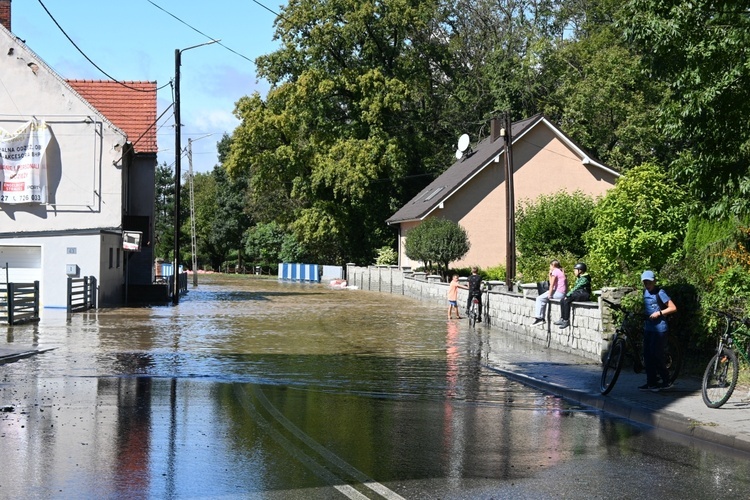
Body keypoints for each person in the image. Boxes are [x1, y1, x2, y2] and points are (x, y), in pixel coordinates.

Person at [639, 270, 677, 392]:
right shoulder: (645, 292)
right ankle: (651, 383)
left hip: (660, 329)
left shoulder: (661, 293)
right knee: (647, 355)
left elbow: (673, 308)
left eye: (649, 282)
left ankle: (667, 381)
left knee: (657, 355)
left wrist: (659, 313)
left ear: (654, 281)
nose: (647, 284)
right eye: (645, 282)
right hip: (648, 328)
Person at [555, 263, 591, 329]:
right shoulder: (580, 277)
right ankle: (562, 318)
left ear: (580, 271)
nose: (574, 271)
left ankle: (566, 320)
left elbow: (577, 287)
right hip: (579, 293)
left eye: (575, 270)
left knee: (567, 299)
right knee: (562, 300)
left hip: (584, 294)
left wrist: (568, 294)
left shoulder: (585, 278)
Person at [532, 260, 567, 325]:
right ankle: (541, 318)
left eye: (550, 266)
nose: (549, 267)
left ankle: (539, 318)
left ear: (553, 265)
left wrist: (550, 295)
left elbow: (551, 284)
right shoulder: (560, 271)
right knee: (543, 298)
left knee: (539, 298)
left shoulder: (555, 271)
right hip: (562, 293)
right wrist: (550, 274)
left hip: (558, 293)